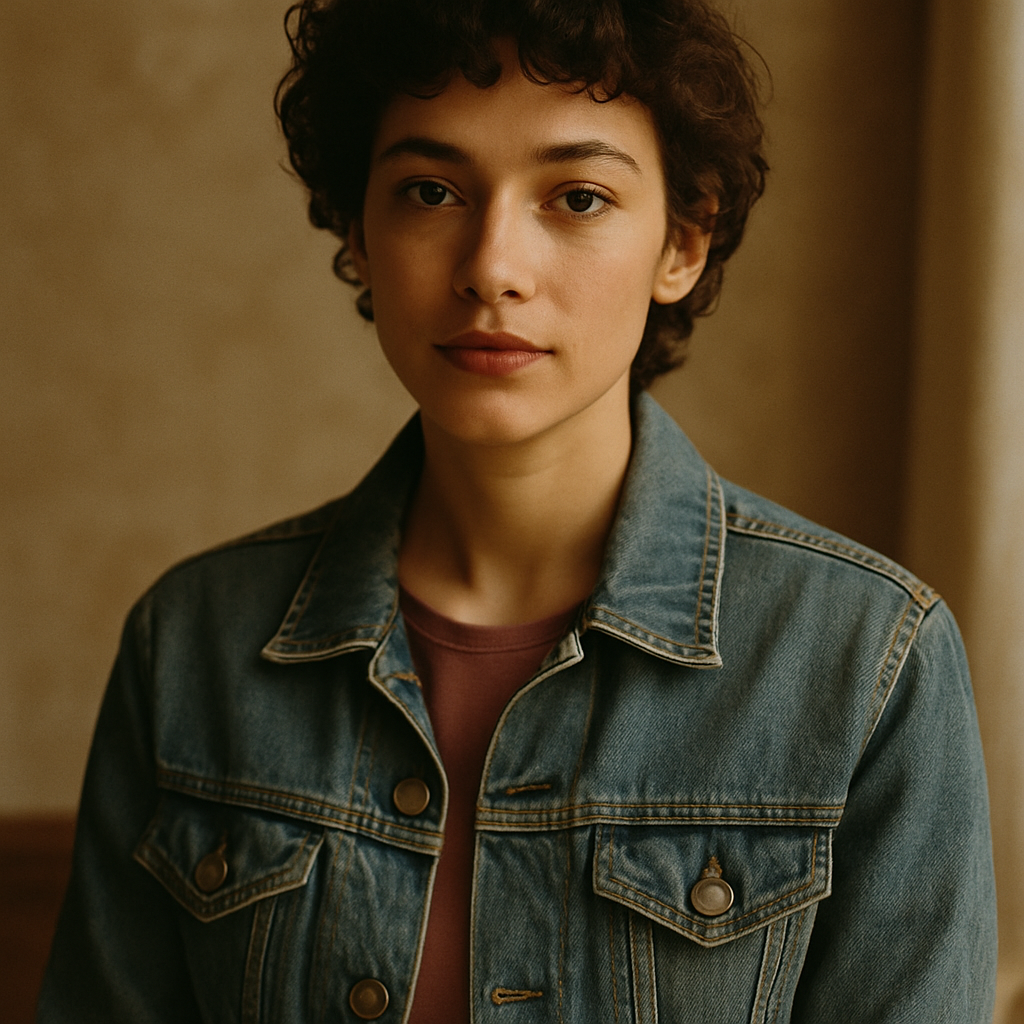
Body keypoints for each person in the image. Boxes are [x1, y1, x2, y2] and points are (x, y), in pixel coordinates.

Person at [39, 0, 997, 1021]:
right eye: (430, 191)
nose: (492, 267)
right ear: (359, 231)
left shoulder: (868, 658)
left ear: (683, 241)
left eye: (577, 197)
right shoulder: (192, 642)